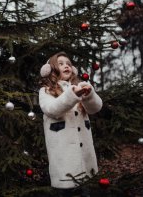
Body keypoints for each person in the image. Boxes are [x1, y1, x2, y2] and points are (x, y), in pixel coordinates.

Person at [38, 51, 102, 196]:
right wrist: (73, 94)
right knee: (65, 192)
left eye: (68, 64)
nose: (66, 66)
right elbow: (52, 109)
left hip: (85, 156)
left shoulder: (79, 87)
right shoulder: (46, 91)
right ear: (51, 69)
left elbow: (95, 108)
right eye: (61, 64)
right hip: (63, 157)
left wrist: (89, 94)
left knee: (86, 191)